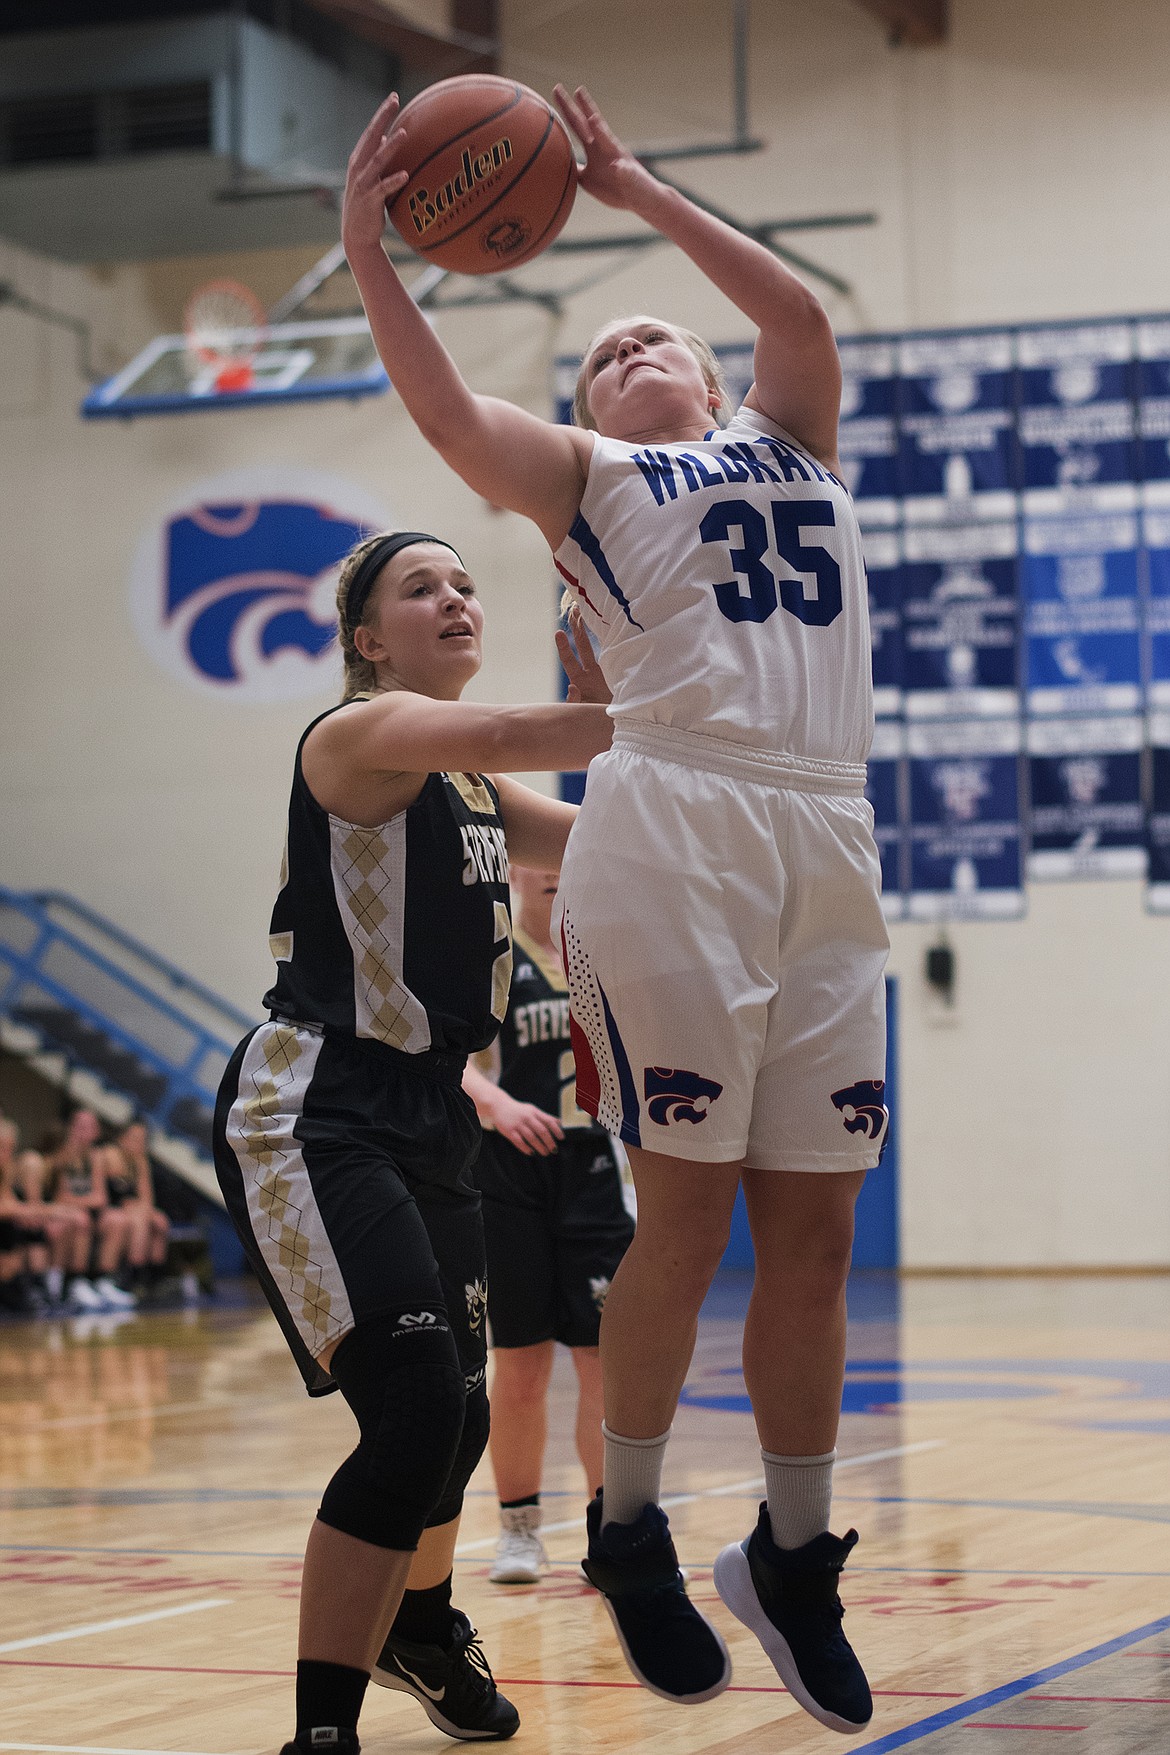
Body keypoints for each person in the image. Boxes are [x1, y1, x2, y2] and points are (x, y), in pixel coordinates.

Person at [342, 84, 889, 1733]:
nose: (636, 346)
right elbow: (449, 424)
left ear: (716, 377)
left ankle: (793, 1553)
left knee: (822, 1235)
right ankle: (628, 1524)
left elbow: (792, 306)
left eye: (660, 337)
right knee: (693, 1207)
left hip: (830, 835)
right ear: (595, 406)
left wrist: (639, 190)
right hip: (675, 824)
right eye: (603, 352)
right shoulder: (588, 477)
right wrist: (373, 252)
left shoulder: (790, 431)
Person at [212, 530, 611, 1755]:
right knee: (414, 1404)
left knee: (465, 1414)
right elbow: (506, 733)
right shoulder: (357, 734)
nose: (454, 599)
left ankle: (423, 1627)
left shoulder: (481, 791)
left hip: (433, 1113)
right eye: (421, 586)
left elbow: (600, 838)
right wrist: (659, 684)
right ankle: (320, 1732)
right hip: (318, 1105)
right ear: (367, 639)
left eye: (465, 584)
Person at [463, 864, 634, 1585]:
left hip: (594, 1170)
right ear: (514, 872)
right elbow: (447, 1062)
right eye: (541, 863)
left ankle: (610, 1531)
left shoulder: (611, 954)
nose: (557, 873)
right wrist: (497, 1105)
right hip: (508, 1177)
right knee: (522, 1361)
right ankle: (518, 1528)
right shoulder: (489, 959)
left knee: (604, 1362)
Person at [45, 1110, 136, 1311]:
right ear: (71, 1129)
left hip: (84, 1212)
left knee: (117, 1219)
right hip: (59, 1213)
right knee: (80, 1219)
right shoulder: (62, 1157)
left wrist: (81, 1202)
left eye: (89, 1127)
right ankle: (72, 1283)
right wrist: (83, 1203)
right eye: (80, 1126)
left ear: (96, 1132)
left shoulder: (97, 1157)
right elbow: (60, 1198)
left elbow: (100, 1197)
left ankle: (104, 1281)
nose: (84, 1132)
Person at [99, 1119, 170, 1297]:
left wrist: (141, 1208)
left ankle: (152, 1279)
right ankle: (128, 1278)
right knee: (137, 1220)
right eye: (135, 1138)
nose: (140, 1144)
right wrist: (136, 1208)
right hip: (108, 1210)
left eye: (143, 1140)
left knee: (160, 1220)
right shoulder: (109, 1154)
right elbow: (114, 1194)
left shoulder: (140, 1161)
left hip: (130, 1209)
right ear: (121, 1139)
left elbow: (147, 1198)